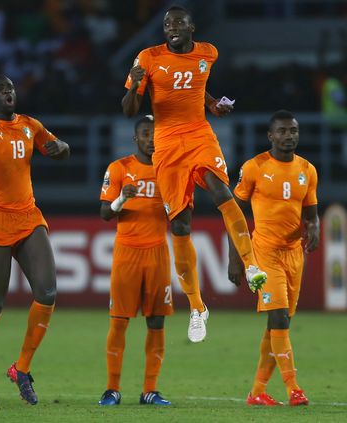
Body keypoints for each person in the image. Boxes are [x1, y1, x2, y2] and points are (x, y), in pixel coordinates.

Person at [121, 5, 267, 343]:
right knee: (180, 225)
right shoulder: (147, 57)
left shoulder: (207, 53)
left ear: (192, 28)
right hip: (168, 143)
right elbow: (129, 110)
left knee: (221, 192)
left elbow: (196, 87)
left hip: (200, 134)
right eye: (167, 23)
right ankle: (198, 307)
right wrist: (135, 87)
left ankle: (252, 263)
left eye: (178, 23)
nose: (171, 27)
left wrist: (213, 104)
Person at [0, 74, 70, 407]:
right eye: (1, 90)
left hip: (28, 217)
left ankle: (21, 368)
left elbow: (59, 149)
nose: (9, 92)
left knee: (47, 291)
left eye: (11, 88)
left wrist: (60, 148)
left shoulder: (30, 125)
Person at [229, 110, 318, 407]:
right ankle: (294, 388)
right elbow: (235, 213)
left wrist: (314, 228)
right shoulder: (254, 167)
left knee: (279, 325)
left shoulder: (308, 169)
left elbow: (311, 213)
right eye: (282, 131)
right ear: (270, 136)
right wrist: (236, 258)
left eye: (293, 131)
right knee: (278, 318)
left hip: (294, 255)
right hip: (264, 253)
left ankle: (257, 392)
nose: (288, 136)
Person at [97, 115, 172, 407]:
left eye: (155, 133)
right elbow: (105, 213)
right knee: (119, 321)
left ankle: (149, 390)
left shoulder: (170, 170)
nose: (151, 138)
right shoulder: (119, 168)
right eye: (145, 133)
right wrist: (120, 201)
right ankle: (112, 389)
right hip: (127, 252)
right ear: (136, 138)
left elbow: (181, 213)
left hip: (157, 253)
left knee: (156, 321)